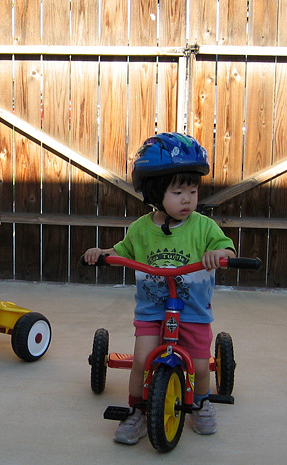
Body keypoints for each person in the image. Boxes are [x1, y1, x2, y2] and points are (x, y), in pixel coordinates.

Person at [84, 132, 236, 444]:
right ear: (154, 192)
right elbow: (122, 252)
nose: (187, 199)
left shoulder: (204, 227)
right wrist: (103, 255)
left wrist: (218, 255)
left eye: (192, 191)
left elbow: (228, 251)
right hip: (153, 311)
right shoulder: (141, 229)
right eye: (178, 191)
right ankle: (138, 411)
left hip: (193, 311)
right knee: (141, 360)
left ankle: (202, 403)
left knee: (199, 364)